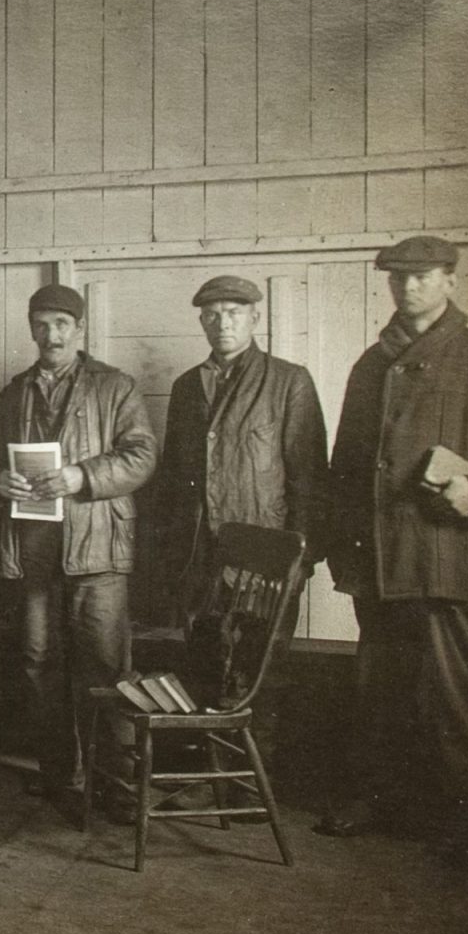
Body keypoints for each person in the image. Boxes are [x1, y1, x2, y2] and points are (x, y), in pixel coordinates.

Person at [318, 237, 468, 866]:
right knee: (381, 691)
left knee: (462, 701)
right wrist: (341, 550)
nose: (407, 288)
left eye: (422, 277)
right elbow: (346, 466)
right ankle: (376, 798)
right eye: (397, 278)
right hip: (380, 561)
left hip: (452, 561)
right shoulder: (371, 364)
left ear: (451, 281)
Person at [0, 284, 156, 803]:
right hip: (36, 550)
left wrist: (82, 476)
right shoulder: (15, 391)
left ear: (78, 329)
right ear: (31, 329)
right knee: (39, 663)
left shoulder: (115, 386)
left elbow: (142, 457)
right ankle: (63, 775)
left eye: (61, 324)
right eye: (40, 324)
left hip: (98, 550)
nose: (50, 335)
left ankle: (119, 784)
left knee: (105, 667)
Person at [156, 276, 327, 753]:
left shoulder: (289, 381)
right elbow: (172, 482)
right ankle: (209, 775)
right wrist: (176, 558)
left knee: (259, 674)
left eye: (233, 312)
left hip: (265, 564)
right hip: (200, 561)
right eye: (212, 314)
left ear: (255, 317)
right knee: (205, 669)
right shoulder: (188, 387)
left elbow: (309, 480)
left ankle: (252, 783)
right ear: (202, 322)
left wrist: (301, 561)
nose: (222, 322)